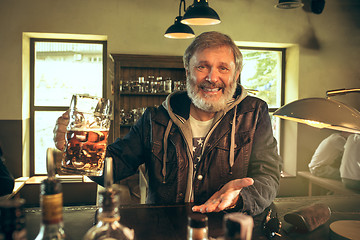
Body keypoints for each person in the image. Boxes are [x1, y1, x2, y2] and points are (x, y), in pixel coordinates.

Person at [54, 31, 282, 216]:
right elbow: (115, 167)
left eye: (223, 68)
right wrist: (77, 151)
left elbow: (268, 176)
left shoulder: (254, 112)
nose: (212, 78)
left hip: (230, 226)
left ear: (236, 73)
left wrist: (240, 198)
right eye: (202, 66)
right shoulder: (155, 119)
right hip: (166, 228)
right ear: (187, 71)